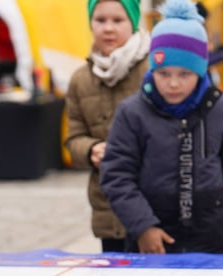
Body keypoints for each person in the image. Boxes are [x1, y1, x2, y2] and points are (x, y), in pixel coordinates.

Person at [99, 0, 223, 255]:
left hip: (211, 241)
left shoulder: (219, 107)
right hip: (152, 243)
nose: (173, 84)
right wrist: (143, 227)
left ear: (200, 72)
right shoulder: (132, 112)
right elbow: (117, 176)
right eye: (163, 73)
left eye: (184, 74)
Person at [65, 0, 148, 253]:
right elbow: (74, 137)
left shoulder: (154, 72)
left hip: (152, 203)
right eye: (100, 20)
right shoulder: (80, 80)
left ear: (133, 23)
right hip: (107, 205)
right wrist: (91, 150)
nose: (108, 28)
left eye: (118, 20)